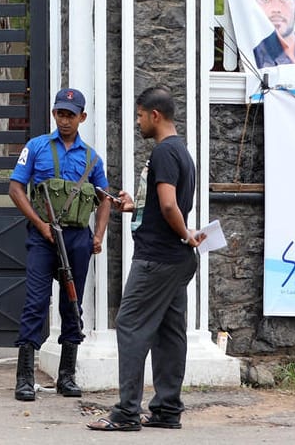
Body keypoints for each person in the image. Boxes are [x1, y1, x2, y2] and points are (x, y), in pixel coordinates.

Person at [88, 86, 203, 432]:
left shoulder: (165, 152)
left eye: (139, 115)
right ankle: (167, 410)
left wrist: (185, 233)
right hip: (176, 259)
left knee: (130, 324)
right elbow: (161, 203)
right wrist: (133, 205)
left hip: (157, 257)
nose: (137, 121)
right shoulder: (181, 151)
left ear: (154, 115)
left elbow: (170, 204)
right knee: (169, 332)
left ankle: (126, 412)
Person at [8, 88, 112, 402]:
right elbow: (15, 189)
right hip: (43, 237)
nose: (64, 120)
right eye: (60, 113)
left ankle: (67, 376)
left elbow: (104, 198)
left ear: (82, 117)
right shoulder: (36, 147)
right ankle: (24, 378)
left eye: (70, 114)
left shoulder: (92, 158)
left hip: (77, 239)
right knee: (36, 303)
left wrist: (99, 235)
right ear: (54, 114)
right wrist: (40, 225)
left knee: (72, 303)